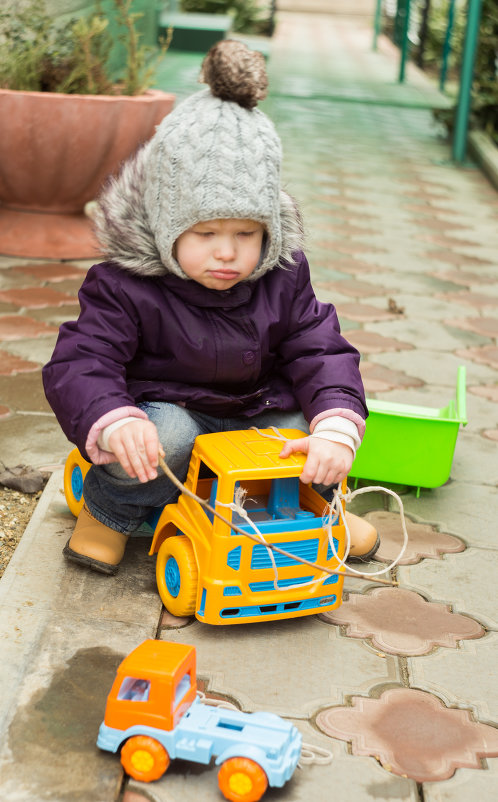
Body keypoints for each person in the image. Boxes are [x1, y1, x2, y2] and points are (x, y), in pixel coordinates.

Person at [43, 40, 378, 576]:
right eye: (205, 233)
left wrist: (334, 425)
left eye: (247, 232)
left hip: (254, 411)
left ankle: (319, 511)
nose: (227, 251)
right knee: (162, 441)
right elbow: (82, 361)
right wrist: (112, 420)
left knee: (307, 430)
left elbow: (320, 348)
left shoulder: (283, 275)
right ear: (166, 225)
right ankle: (107, 514)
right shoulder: (124, 284)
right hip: (164, 411)